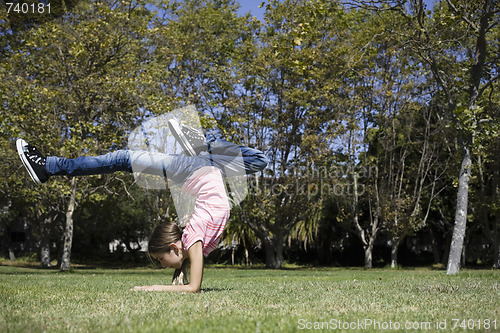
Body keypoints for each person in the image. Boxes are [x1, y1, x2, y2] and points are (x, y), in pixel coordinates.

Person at [17, 119, 269, 292]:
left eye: (160, 260)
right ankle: (48, 167)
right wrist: (154, 287)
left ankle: (201, 148)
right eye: (161, 260)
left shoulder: (194, 242)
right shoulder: (194, 241)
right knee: (259, 160)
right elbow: (194, 288)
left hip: (202, 171)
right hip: (196, 170)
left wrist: (173, 276)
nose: (161, 265)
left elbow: (188, 274)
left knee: (259, 160)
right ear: (174, 247)